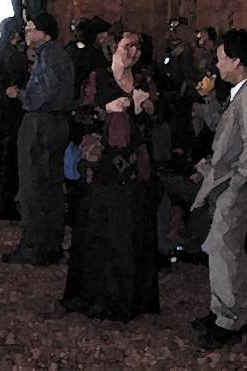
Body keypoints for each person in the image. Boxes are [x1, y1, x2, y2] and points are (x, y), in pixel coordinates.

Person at [62, 31, 160, 320]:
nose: (134, 52)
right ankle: (96, 295)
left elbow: (159, 118)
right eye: (128, 46)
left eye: (138, 48)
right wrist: (107, 109)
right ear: (114, 47)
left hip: (134, 166)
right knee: (99, 228)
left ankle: (129, 298)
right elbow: (80, 115)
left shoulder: (143, 80)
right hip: (101, 165)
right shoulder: (98, 77)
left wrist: (147, 107)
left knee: (131, 229)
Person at [191, 30, 247, 350]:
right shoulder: (240, 91)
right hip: (227, 182)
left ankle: (229, 319)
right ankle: (223, 311)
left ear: (237, 61)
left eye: (222, 57)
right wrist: (210, 99)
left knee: (224, 250)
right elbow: (224, 132)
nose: (217, 62)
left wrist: (237, 184)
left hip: (236, 186)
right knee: (224, 250)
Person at [3, 13, 74, 265]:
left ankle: (34, 246)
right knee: (52, 185)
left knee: (34, 185)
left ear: (44, 33)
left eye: (31, 29)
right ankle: (50, 243)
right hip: (57, 123)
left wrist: (19, 93)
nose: (27, 33)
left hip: (42, 122)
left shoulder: (48, 55)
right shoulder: (60, 54)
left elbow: (41, 93)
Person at [0, 17, 28, 220]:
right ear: (17, 34)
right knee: (8, 161)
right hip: (10, 113)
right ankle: (4, 206)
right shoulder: (15, 57)